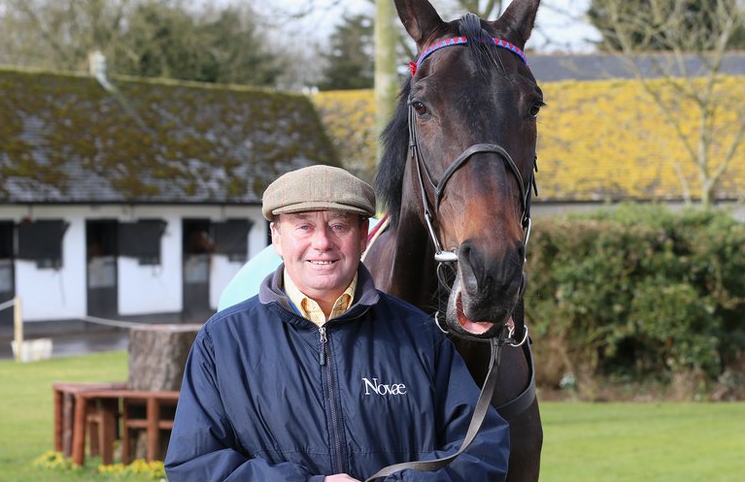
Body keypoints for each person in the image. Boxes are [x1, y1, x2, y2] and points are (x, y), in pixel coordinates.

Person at [164, 165, 510, 481]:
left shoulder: (419, 335)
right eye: (303, 226)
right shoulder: (222, 342)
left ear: (363, 236)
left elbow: (481, 452)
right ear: (277, 237)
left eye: (339, 225)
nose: (322, 243)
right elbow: (194, 465)